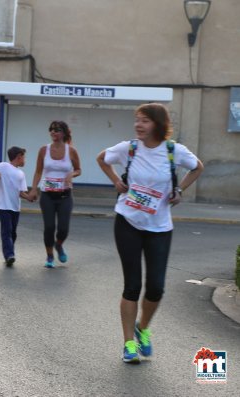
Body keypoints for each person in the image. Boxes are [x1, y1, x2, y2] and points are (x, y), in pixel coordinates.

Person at [97, 103, 204, 364]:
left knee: (156, 287)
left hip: (160, 227)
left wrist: (180, 190)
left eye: (144, 120)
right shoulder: (129, 148)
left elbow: (197, 166)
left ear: (158, 123)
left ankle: (142, 328)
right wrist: (115, 181)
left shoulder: (173, 151)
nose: (138, 125)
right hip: (128, 221)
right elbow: (102, 158)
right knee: (132, 285)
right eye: (136, 120)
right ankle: (128, 344)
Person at [29, 121, 81, 268]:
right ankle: (50, 256)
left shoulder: (71, 151)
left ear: (64, 133)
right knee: (49, 227)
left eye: (57, 130)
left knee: (63, 229)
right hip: (47, 195)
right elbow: (38, 171)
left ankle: (59, 245)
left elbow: (79, 169)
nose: (53, 132)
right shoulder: (43, 150)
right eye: (51, 130)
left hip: (65, 195)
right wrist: (33, 189)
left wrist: (72, 174)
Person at [0, 146, 31, 267]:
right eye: (24, 157)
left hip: (15, 207)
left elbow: (21, 192)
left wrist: (29, 197)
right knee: (7, 231)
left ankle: (9, 255)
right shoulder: (4, 166)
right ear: (19, 156)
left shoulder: (21, 173)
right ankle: (9, 254)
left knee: (13, 232)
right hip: (3, 205)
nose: (25, 160)